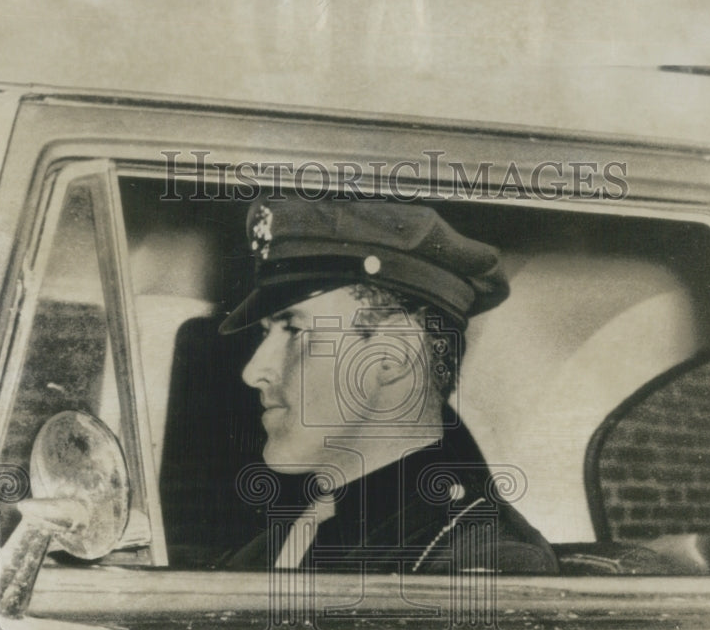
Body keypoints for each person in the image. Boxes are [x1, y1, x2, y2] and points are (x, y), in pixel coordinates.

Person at [217, 198, 559, 575]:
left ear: (392, 354)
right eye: (266, 334)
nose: (254, 371)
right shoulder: (270, 548)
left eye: (295, 330)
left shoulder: (478, 559)